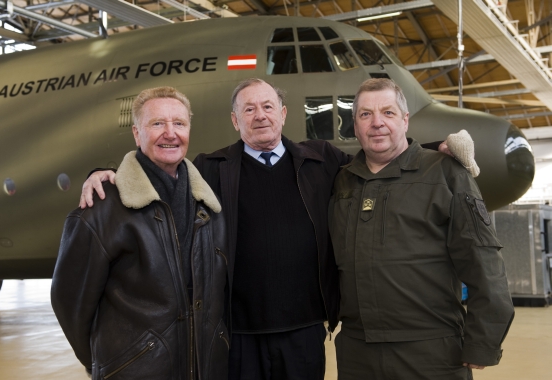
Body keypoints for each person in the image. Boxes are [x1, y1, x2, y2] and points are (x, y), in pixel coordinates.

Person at [79, 78, 477, 380]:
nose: (260, 116)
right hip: (237, 334)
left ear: (283, 114)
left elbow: (380, 155)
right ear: (235, 120)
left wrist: (435, 149)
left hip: (304, 330)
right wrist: (106, 173)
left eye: (268, 106)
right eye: (248, 110)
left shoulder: (322, 160)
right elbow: (160, 171)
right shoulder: (211, 167)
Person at [328, 78, 514, 380]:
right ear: (355, 124)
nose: (377, 123)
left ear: (405, 120)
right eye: (366, 114)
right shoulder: (342, 181)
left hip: (431, 351)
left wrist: (483, 341)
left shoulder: (445, 172)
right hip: (357, 352)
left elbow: (483, 260)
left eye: (387, 113)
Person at [51, 87, 229, 380]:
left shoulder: (209, 206)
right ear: (137, 133)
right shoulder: (102, 207)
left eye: (179, 124)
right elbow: (69, 301)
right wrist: (112, 361)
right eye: (157, 123)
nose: (170, 133)